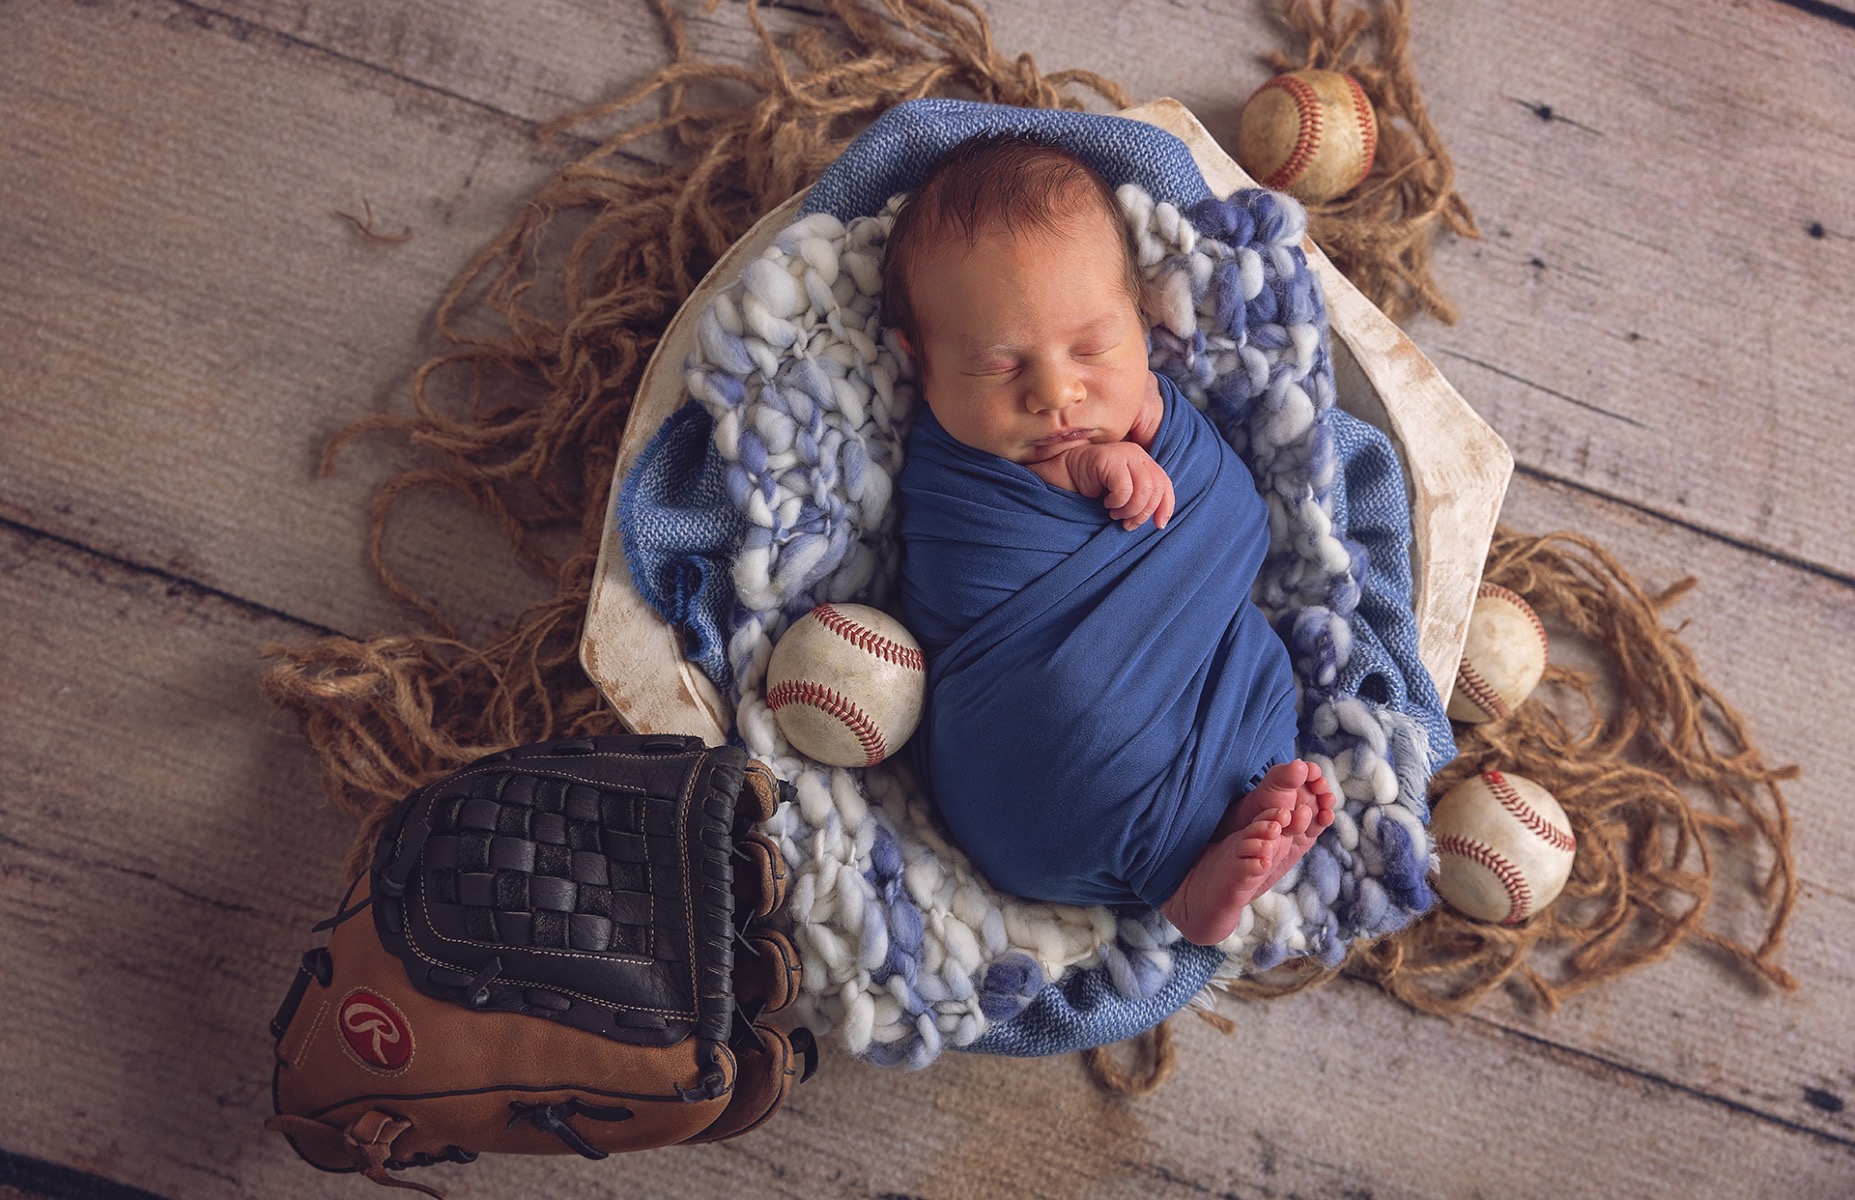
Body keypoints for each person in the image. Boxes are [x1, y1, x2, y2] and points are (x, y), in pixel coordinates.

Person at [887, 133, 1336, 945]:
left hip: (1170, 711)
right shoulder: (945, 468)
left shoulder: (1157, 416)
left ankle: (1212, 847)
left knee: (1257, 673)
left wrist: (1169, 439)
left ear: (1139, 318)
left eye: (1092, 349)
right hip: (1020, 754)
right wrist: (1081, 471)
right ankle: (1176, 872)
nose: (1056, 392)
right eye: (996, 367)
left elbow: (1231, 520)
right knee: (1077, 705)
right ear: (917, 363)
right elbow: (966, 566)